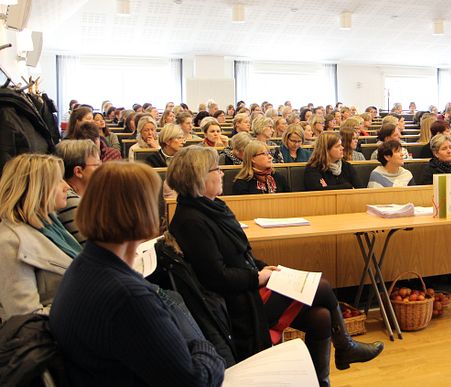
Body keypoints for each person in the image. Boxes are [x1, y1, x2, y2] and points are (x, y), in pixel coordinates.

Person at [167, 146, 382, 386]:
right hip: (236, 304)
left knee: (321, 318)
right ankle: (345, 346)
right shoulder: (191, 221)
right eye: (216, 170)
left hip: (248, 287)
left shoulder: (213, 207)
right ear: (199, 176)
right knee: (321, 287)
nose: (222, 174)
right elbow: (217, 278)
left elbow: (240, 255)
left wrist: (265, 268)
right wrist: (258, 277)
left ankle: (323, 379)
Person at [50, 161, 225, 386]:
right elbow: (194, 380)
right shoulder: (127, 296)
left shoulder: (84, 265)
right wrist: (205, 345)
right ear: (143, 212)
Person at [0, 154, 79, 320]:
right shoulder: (10, 242)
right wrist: (88, 304)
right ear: (37, 189)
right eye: (58, 181)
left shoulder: (50, 224)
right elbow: (26, 320)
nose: (66, 187)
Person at [56, 140, 101, 246]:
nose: (101, 169)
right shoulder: (69, 201)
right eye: (97, 165)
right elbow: (97, 249)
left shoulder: (84, 196)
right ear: (78, 172)